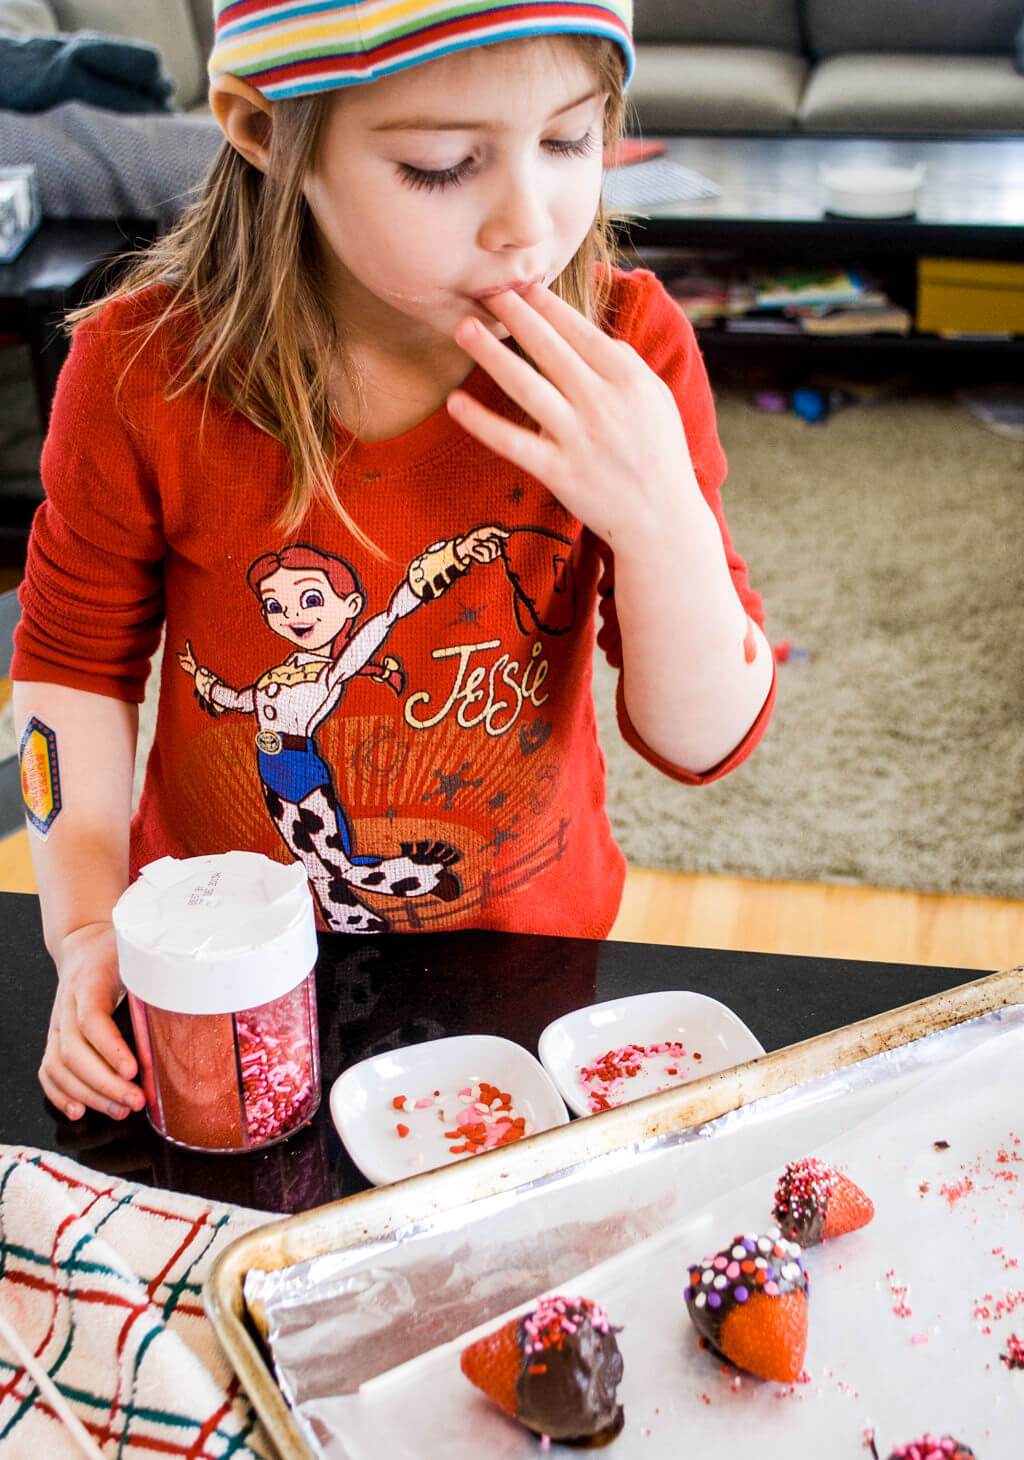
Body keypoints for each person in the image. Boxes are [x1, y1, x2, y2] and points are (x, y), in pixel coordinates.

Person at [11, 0, 776, 1125]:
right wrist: (83, 929)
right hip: (224, 958)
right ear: (266, 130)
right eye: (440, 165)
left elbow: (702, 739)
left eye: (570, 141)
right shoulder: (137, 370)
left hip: (527, 969)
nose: (528, 221)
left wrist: (658, 511)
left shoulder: (630, 348)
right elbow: (71, 669)